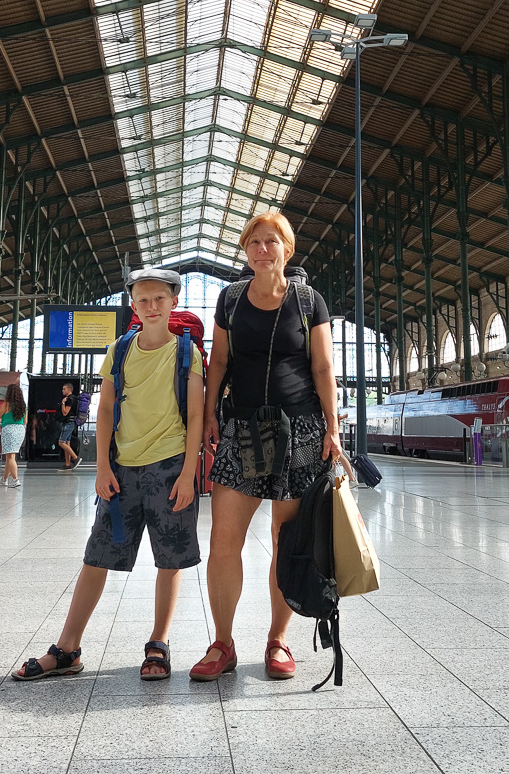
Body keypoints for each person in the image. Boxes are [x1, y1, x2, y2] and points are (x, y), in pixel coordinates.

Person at [14, 268, 203, 682]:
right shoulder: (120, 349)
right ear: (133, 305)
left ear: (173, 302)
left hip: (171, 466)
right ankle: (67, 648)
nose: (151, 306)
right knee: (96, 556)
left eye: (159, 299)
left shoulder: (187, 353)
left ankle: (159, 642)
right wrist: (101, 466)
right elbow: (104, 410)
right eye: (142, 300)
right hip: (122, 468)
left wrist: (190, 474)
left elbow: (197, 416)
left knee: (168, 560)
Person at [191, 211, 341, 682]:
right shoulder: (230, 299)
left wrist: (333, 429)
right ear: (245, 250)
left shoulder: (308, 300)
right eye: (254, 241)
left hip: (300, 432)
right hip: (241, 430)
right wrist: (212, 412)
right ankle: (222, 642)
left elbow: (322, 369)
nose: (262, 249)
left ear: (287, 249)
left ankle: (278, 639)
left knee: (287, 540)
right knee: (223, 541)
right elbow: (218, 362)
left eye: (271, 241)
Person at [0, 382, 27, 488]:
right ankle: (4, 479)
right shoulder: (23, 405)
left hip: (9, 429)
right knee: (10, 456)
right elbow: (25, 421)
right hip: (20, 430)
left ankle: (15, 480)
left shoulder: (7, 404)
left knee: (10, 457)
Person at [57, 382, 81, 470]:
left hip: (68, 423)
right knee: (67, 442)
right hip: (72, 422)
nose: (62, 390)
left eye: (64, 389)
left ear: (69, 389)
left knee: (61, 442)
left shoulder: (69, 399)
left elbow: (65, 413)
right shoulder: (75, 398)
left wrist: (63, 403)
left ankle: (75, 458)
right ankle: (67, 464)